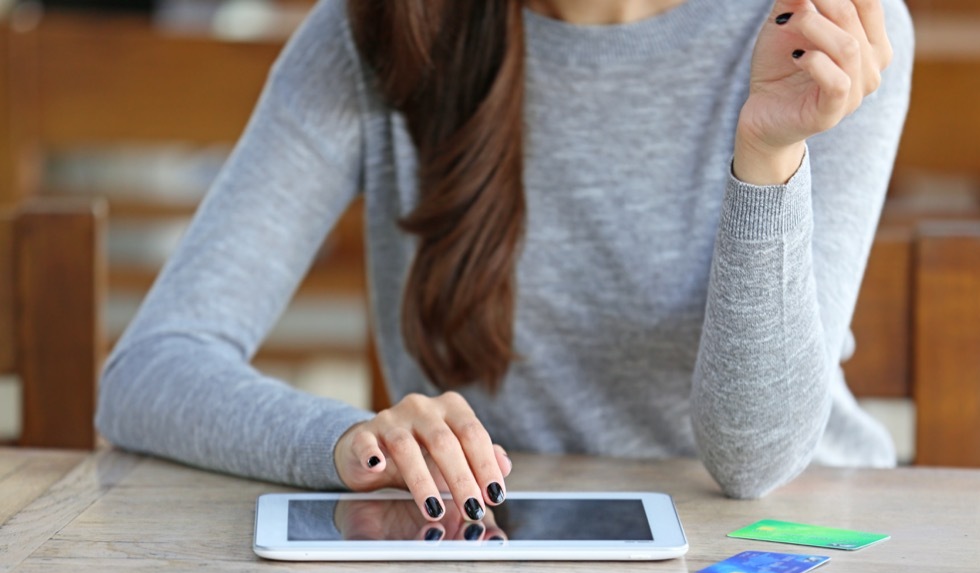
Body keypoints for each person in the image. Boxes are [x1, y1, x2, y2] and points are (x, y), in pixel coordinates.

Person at [96, 0, 913, 523]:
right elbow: (151, 369)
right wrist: (347, 442)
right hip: (495, 562)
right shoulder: (386, 27)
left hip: (781, 560)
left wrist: (768, 153)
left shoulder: (821, 31)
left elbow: (753, 463)